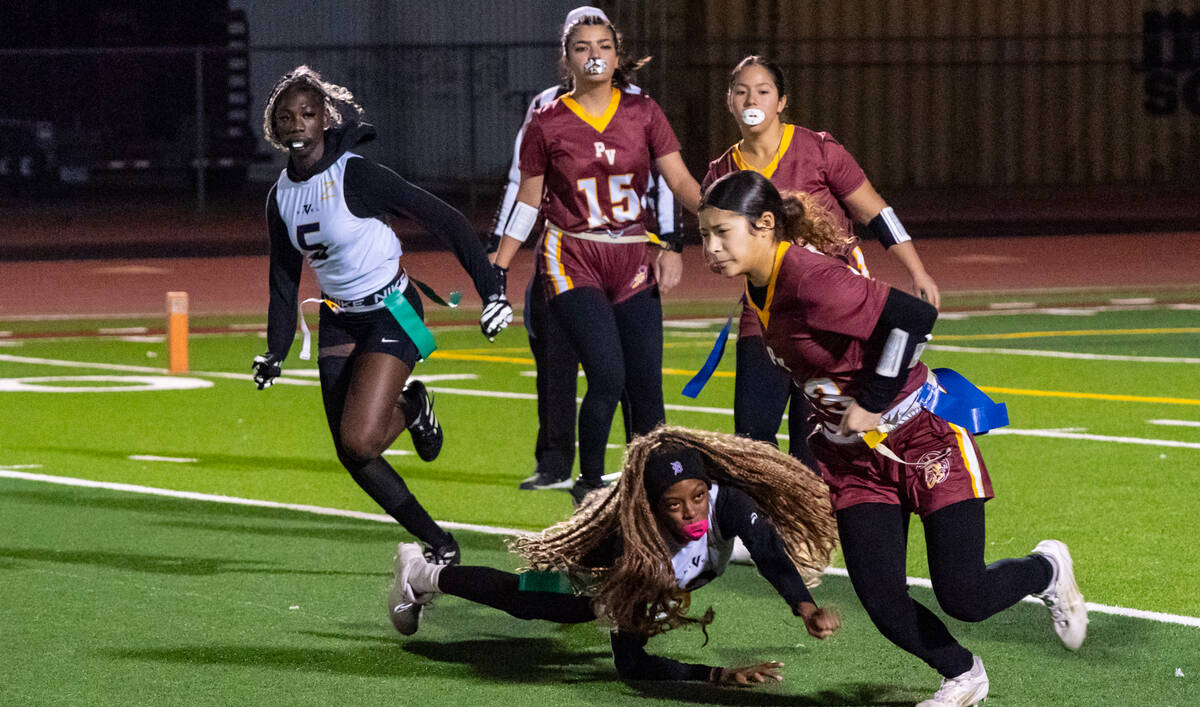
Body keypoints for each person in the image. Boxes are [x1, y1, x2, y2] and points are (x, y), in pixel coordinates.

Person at [698, 169, 1088, 707]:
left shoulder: (808, 277)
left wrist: (874, 399)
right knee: (880, 597)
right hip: (854, 461)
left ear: (765, 226)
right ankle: (963, 673)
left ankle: (1048, 570)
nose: (711, 248)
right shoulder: (757, 284)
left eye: (722, 233)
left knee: (965, 596)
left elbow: (915, 316)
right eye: (704, 235)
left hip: (923, 436)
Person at [253, 65, 512, 565]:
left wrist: (491, 291)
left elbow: (448, 219)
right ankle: (440, 543)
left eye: (308, 113)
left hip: (395, 310)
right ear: (275, 127)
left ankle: (413, 407)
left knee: (359, 437)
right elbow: (283, 281)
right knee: (353, 455)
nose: (298, 123)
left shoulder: (356, 173)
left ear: (325, 119)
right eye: (287, 117)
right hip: (338, 318)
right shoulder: (279, 197)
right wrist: (274, 351)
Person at [387, 426, 841, 685]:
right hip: (603, 574)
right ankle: (421, 572)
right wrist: (717, 675)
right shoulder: (635, 548)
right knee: (528, 600)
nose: (691, 512)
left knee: (739, 543)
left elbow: (768, 550)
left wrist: (804, 606)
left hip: (682, 569)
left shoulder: (730, 504)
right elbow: (632, 665)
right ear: (652, 507)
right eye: (674, 504)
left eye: (698, 496)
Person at [491, 12, 702, 505]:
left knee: (647, 384)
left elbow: (680, 183)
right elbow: (527, 198)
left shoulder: (644, 111)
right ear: (566, 58)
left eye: (603, 45)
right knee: (608, 374)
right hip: (573, 255)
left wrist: (727, 210)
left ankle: (653, 484)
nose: (594, 55)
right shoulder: (547, 119)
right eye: (582, 47)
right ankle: (588, 483)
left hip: (632, 256)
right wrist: (498, 265)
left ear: (617, 53)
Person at [702, 56, 939, 473]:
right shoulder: (722, 174)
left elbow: (877, 213)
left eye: (762, 91)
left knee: (812, 438)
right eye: (741, 91)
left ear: (782, 101)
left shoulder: (819, 149)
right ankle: (763, 532)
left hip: (835, 309)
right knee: (751, 434)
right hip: (768, 311)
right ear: (729, 101)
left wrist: (916, 269)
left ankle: (816, 529)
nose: (751, 99)